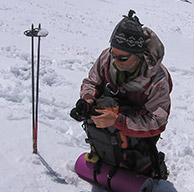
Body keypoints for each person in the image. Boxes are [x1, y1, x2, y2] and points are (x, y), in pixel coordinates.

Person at [71, 10, 172, 180]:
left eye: (123, 58)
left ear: (139, 56)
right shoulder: (107, 58)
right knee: (102, 105)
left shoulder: (158, 81)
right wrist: (87, 101)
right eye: (113, 54)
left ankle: (146, 164)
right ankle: (105, 153)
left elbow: (157, 121)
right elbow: (92, 82)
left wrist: (119, 121)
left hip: (138, 127)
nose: (115, 61)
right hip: (115, 114)